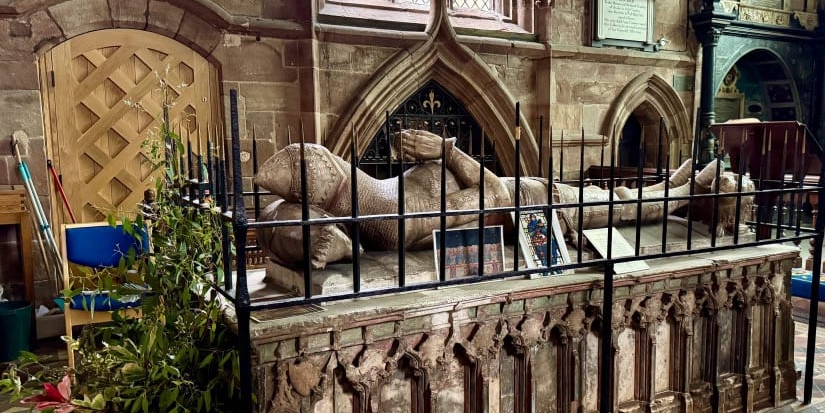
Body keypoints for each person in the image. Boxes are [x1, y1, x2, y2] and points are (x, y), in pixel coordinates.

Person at [253, 128, 750, 264]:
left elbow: (492, 191)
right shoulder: (395, 214)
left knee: (620, 203)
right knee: (616, 203)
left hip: (531, 197)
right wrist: (447, 151)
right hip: (525, 203)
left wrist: (446, 154)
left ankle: (684, 189)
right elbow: (491, 193)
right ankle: (684, 187)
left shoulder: (397, 204)